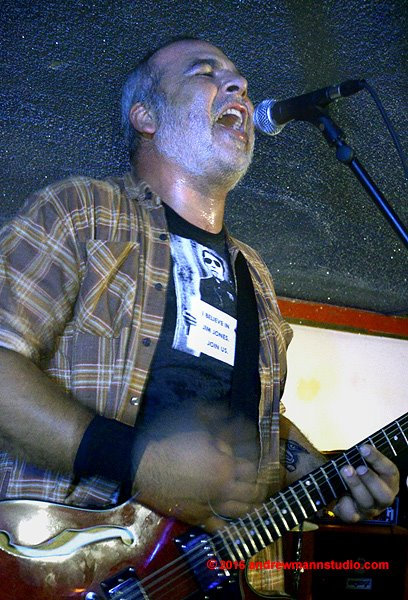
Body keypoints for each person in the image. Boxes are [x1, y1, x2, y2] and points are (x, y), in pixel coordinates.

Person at [0, 38, 399, 595]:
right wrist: (138, 462)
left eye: (240, 80)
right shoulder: (82, 213)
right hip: (69, 571)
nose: (239, 86)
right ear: (146, 116)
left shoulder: (255, 280)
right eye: (205, 72)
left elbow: (258, 429)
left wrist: (326, 475)